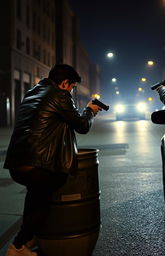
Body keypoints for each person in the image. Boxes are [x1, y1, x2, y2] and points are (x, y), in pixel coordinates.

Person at [4, 64, 102, 256]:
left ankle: (28, 238)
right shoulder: (60, 95)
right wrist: (90, 111)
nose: (72, 91)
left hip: (17, 163)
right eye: (72, 87)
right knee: (44, 198)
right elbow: (82, 125)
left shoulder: (33, 92)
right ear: (65, 83)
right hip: (38, 165)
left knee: (34, 199)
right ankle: (18, 246)